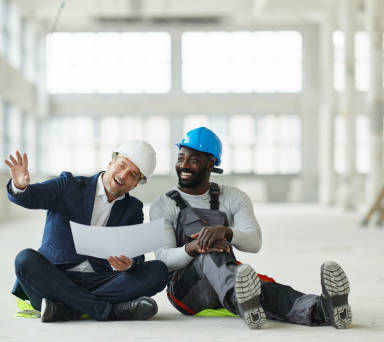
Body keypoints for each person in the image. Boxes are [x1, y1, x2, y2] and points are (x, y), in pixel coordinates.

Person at [149, 127, 352, 330]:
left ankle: (324, 308)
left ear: (210, 164)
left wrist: (226, 232)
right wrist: (194, 247)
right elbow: (164, 259)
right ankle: (242, 299)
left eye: (193, 160)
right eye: (181, 158)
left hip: (225, 275)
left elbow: (254, 242)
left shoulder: (233, 198)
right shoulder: (163, 205)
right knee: (209, 249)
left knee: (266, 289)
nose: (184, 165)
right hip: (186, 291)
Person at [5, 140, 169, 323]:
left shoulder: (132, 209)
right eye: (122, 165)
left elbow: (136, 256)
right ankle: (108, 310)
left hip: (99, 279)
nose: (123, 175)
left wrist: (129, 263)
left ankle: (65, 309)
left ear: (137, 184)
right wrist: (20, 187)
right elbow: (32, 197)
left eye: (132, 174)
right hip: (55, 277)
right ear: (111, 162)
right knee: (24, 259)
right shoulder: (68, 185)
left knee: (158, 271)